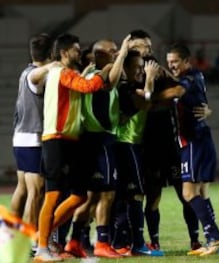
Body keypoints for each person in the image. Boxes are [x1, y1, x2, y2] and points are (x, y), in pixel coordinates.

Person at [118, 29, 204, 253]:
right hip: (147, 143)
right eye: (141, 47)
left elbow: (178, 88)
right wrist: (150, 97)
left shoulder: (155, 67)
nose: (146, 50)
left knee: (184, 193)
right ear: (131, 48)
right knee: (152, 196)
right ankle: (153, 241)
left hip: (170, 140)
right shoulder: (128, 71)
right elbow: (139, 101)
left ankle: (195, 240)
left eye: (148, 46)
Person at [138, 43, 219, 256]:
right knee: (199, 192)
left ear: (187, 61)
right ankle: (214, 237)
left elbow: (176, 90)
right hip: (190, 142)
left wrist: (148, 89)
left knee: (190, 193)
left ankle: (213, 237)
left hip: (194, 141)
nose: (172, 66)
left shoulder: (191, 76)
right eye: (169, 63)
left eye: (176, 62)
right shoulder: (191, 76)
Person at [34, 33, 112, 262]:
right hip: (56, 140)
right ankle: (41, 250)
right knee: (53, 194)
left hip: (68, 140)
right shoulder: (61, 72)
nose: (80, 53)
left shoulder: (64, 73)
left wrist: (87, 73)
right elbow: (87, 88)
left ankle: (42, 237)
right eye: (77, 50)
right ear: (65, 52)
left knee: (78, 195)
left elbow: (78, 85)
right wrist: (103, 73)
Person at [63, 36, 130, 259]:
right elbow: (111, 82)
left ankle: (73, 241)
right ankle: (101, 243)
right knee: (107, 195)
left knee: (90, 197)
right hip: (100, 141)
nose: (117, 53)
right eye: (113, 51)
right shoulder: (98, 75)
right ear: (100, 54)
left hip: (93, 140)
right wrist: (121, 56)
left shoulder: (93, 74)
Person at [112, 50, 163, 256]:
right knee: (135, 195)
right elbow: (147, 101)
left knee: (125, 196)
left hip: (131, 145)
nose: (142, 71)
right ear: (124, 68)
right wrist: (150, 77)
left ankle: (122, 243)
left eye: (143, 68)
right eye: (137, 67)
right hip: (126, 143)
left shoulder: (131, 86)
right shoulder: (125, 87)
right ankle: (138, 244)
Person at [11, 33, 55, 255]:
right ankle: (28, 243)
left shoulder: (25, 71)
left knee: (22, 189)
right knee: (35, 192)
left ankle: (11, 238)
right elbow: (39, 75)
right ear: (51, 54)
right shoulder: (35, 74)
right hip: (32, 139)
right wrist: (55, 65)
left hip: (21, 137)